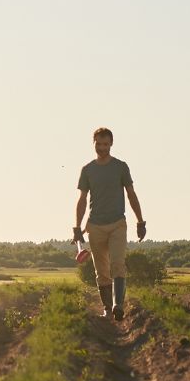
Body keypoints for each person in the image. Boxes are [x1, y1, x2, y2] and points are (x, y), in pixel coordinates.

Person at [72, 127, 147, 320]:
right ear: (94, 143)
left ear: (111, 144)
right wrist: (77, 227)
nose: (102, 148)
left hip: (117, 224)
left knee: (117, 264)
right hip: (95, 226)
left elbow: (131, 194)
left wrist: (140, 221)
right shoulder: (87, 170)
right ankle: (107, 308)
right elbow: (82, 199)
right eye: (99, 144)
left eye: (105, 144)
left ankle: (117, 305)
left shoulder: (121, 167)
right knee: (102, 271)